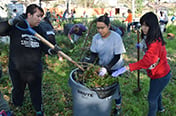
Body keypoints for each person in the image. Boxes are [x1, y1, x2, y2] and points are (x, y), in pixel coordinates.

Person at [0, 4, 60, 116]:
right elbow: (1, 30)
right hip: (17, 68)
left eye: (41, 16)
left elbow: (45, 47)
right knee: (18, 89)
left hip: (34, 69)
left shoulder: (40, 29)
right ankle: (17, 105)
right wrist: (10, 22)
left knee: (36, 91)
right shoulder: (17, 26)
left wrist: (52, 51)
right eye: (38, 16)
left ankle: (38, 110)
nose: (40, 19)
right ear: (29, 14)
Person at [118, 12, 171, 116]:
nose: (143, 28)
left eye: (146, 25)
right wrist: (141, 45)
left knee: (151, 99)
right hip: (156, 73)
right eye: (142, 24)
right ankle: (160, 109)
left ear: (153, 26)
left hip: (161, 75)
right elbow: (145, 44)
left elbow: (148, 61)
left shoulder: (155, 42)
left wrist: (129, 67)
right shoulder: (150, 37)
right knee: (156, 92)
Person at [88, 15, 126, 116]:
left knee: (115, 88)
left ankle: (117, 107)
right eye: (98, 28)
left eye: (102, 28)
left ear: (108, 26)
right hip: (102, 65)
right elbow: (93, 54)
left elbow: (117, 56)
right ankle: (103, 106)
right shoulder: (96, 38)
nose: (100, 30)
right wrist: (90, 64)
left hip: (115, 67)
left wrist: (107, 68)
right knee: (102, 87)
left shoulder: (116, 38)